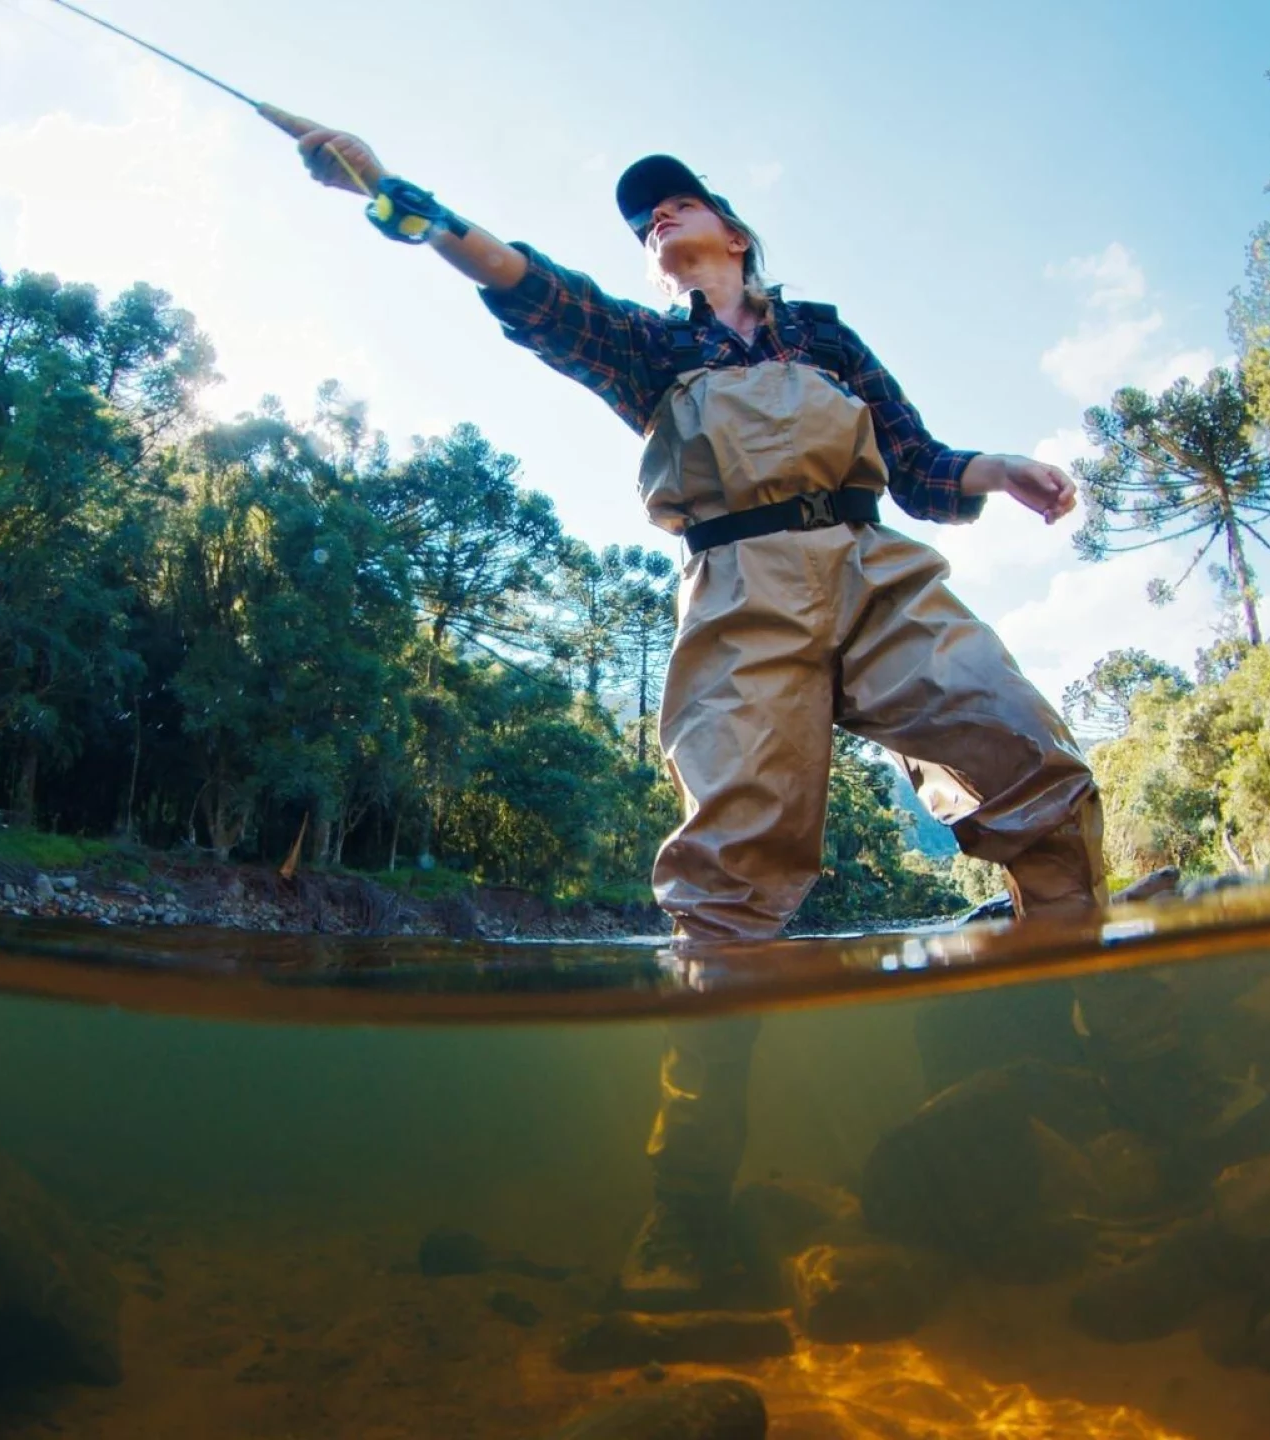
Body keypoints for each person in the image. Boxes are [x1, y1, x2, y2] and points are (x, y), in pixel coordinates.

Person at [283, 120, 1107, 1306]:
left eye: (674, 204)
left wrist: (999, 471)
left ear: (731, 225)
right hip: (737, 600)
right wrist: (387, 189)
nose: (654, 219)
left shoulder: (823, 335)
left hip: (876, 569)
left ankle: (1069, 1059)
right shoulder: (640, 350)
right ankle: (684, 1211)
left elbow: (918, 462)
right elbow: (527, 287)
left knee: (1040, 771)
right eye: (641, 219)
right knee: (723, 892)